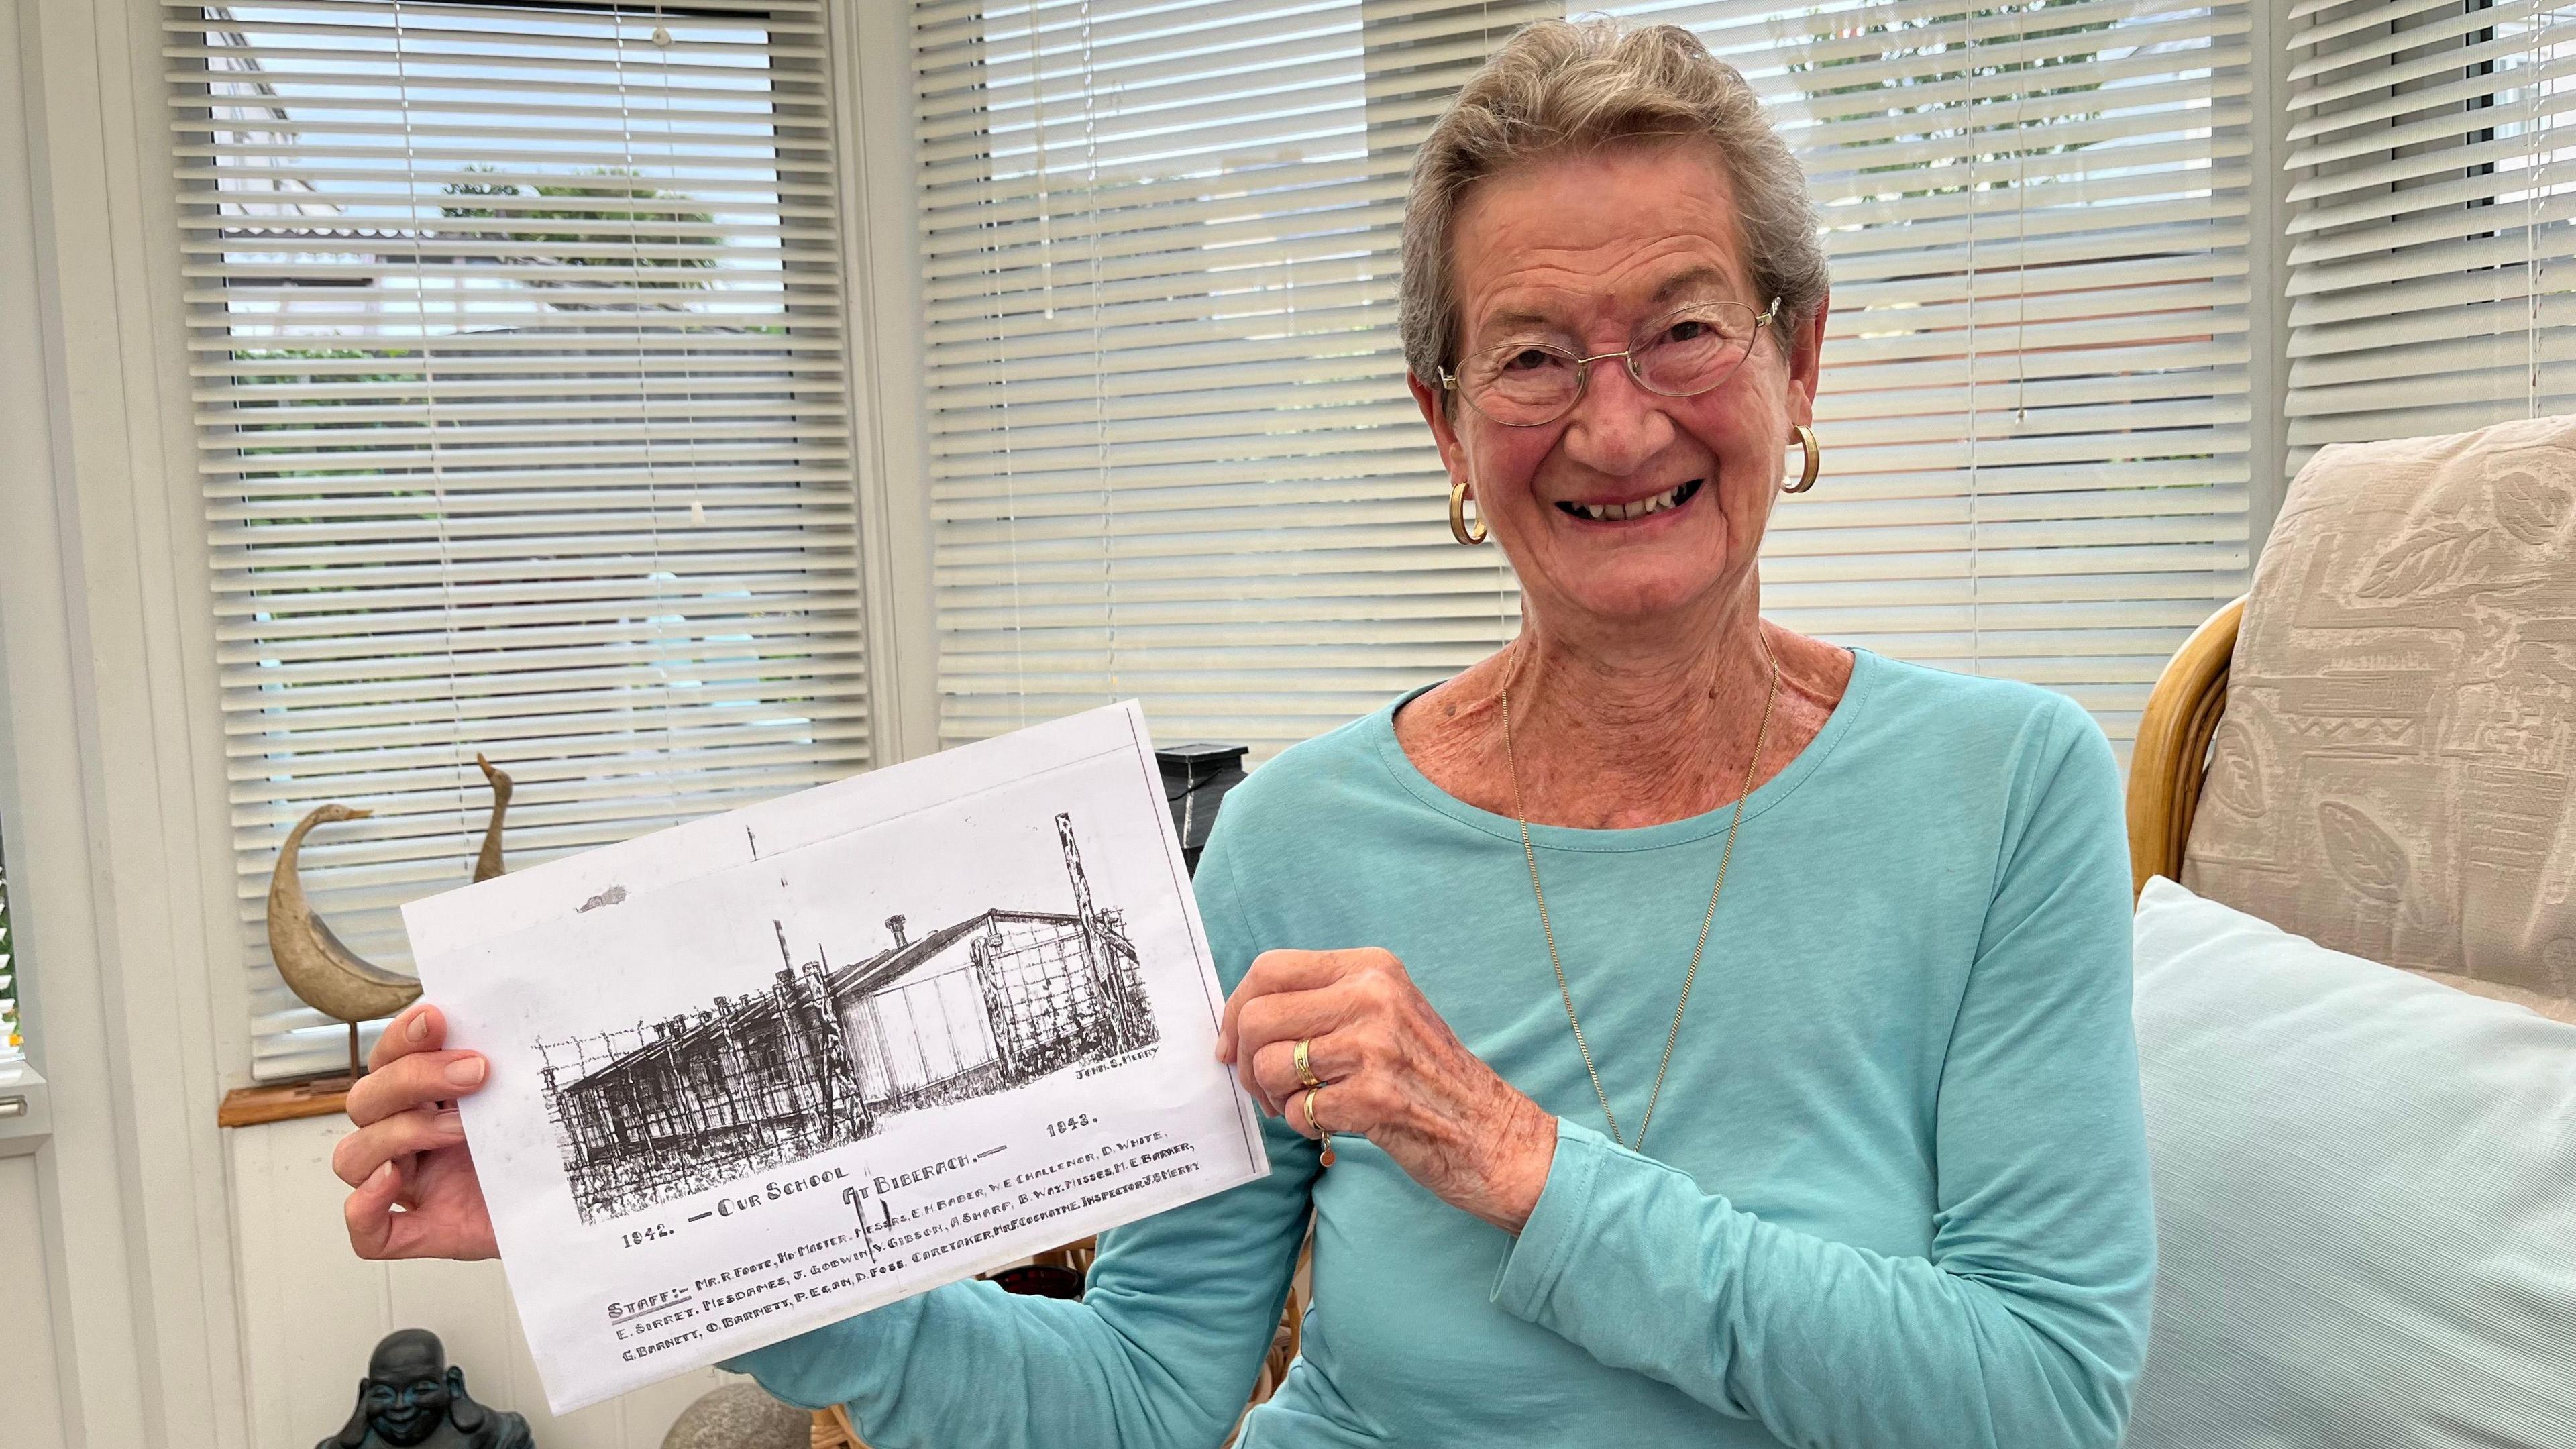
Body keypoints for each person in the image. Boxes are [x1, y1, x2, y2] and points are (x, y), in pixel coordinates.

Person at [332, 19, 2155, 1447]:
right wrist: (646, 1238)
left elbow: (2039, 1400)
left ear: (1798, 362)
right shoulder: (1297, 839)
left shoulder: (2002, 790)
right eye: (1530, 357)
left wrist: (1516, 1163)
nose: (1614, 430)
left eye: (1682, 329)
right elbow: (1139, 1396)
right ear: (1446, 427)